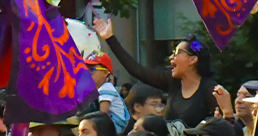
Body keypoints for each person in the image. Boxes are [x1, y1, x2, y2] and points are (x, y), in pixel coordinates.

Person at [92, 17, 232, 127]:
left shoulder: (210, 91)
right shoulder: (172, 82)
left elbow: (224, 131)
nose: (171, 58)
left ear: (192, 60)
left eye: (177, 53)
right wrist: (110, 38)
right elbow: (136, 70)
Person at [85, 53, 127, 131]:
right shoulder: (98, 89)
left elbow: (103, 114)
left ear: (105, 73)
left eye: (91, 70)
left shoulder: (106, 88)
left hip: (116, 126)